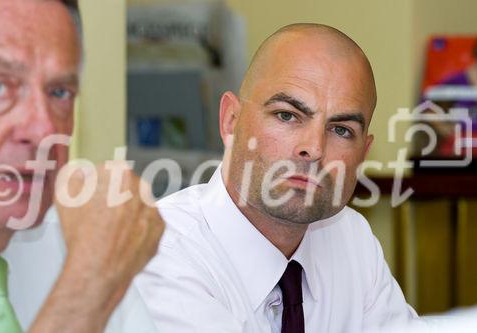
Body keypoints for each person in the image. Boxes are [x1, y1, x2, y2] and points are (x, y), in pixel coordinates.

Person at [136, 23, 417, 332]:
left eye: (341, 130)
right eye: (287, 115)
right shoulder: (161, 253)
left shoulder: (351, 240)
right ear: (231, 121)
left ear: (362, 154)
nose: (314, 148)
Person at [0, 0, 164, 332]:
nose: (45, 129)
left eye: (59, 92)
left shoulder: (73, 237)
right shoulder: (89, 265)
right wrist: (86, 289)